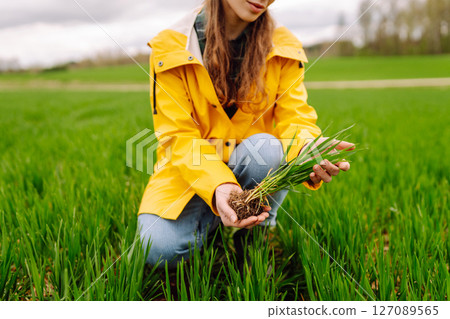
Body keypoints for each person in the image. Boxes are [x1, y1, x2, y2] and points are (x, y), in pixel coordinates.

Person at [137, 0, 354, 269]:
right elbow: (178, 136)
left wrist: (308, 146)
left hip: (255, 163)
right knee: (158, 250)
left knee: (267, 147)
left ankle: (255, 234)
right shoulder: (171, 46)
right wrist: (218, 186)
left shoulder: (284, 45)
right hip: (191, 171)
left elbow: (295, 115)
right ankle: (214, 223)